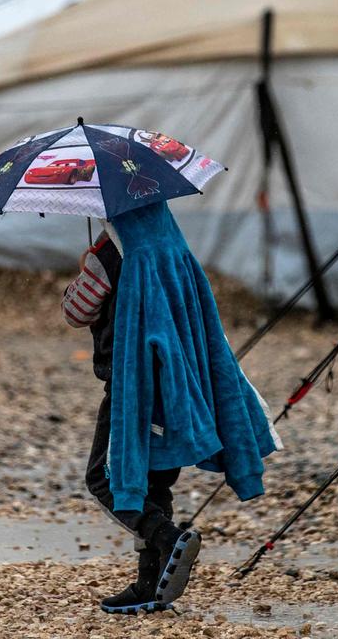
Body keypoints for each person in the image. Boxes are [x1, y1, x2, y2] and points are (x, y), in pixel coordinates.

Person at [62, 203, 280, 614]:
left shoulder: (110, 254)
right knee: (154, 483)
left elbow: (76, 312)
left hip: (132, 387)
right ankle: (150, 582)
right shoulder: (169, 244)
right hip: (174, 382)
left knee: (106, 477)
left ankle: (167, 538)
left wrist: (87, 266)